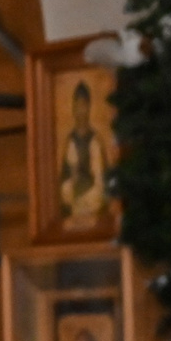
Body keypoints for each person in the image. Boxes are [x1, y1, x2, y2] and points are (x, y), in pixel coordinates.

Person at [57, 78, 114, 231]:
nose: (80, 110)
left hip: (92, 205)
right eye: (77, 105)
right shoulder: (70, 142)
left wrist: (85, 202)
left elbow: (102, 184)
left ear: (88, 107)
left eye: (83, 105)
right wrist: (71, 184)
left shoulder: (95, 141)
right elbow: (63, 183)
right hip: (73, 206)